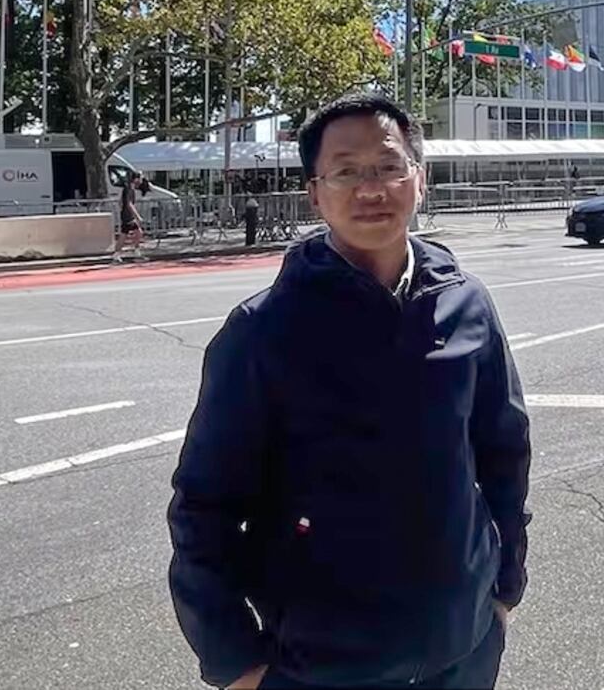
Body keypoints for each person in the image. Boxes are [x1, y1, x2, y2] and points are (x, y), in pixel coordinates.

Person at [169, 93, 531, 690]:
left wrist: (503, 587)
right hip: (322, 667)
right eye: (345, 171)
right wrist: (233, 657)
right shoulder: (264, 331)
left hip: (464, 649)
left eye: (389, 166)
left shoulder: (468, 304)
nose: (371, 188)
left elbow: (503, 452)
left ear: (419, 178)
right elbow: (203, 507)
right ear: (315, 192)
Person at [112, 175, 145, 261]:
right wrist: (137, 216)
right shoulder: (129, 189)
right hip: (128, 216)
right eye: (140, 179)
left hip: (127, 215)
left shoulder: (130, 189)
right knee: (125, 234)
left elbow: (121, 202)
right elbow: (129, 204)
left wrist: (122, 208)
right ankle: (118, 253)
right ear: (136, 179)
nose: (141, 181)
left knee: (136, 232)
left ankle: (135, 251)